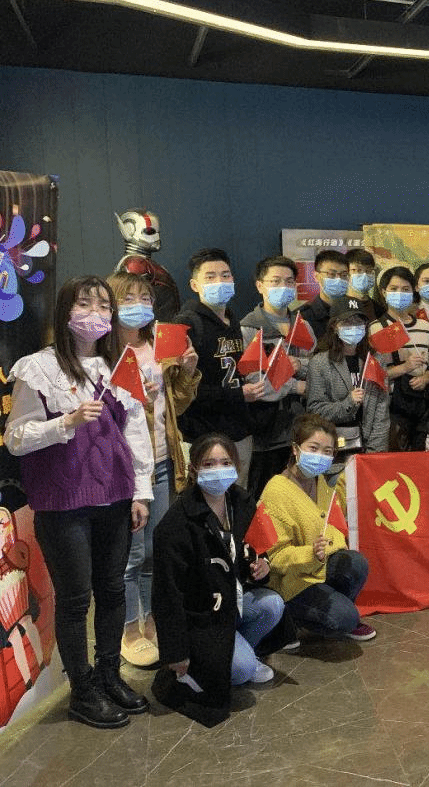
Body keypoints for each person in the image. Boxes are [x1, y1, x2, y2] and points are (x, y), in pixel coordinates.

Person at [5, 275, 154, 728]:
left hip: (114, 497)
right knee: (74, 600)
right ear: (65, 312)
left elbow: (136, 432)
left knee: (112, 590)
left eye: (104, 306)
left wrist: (141, 491)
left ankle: (109, 675)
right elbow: (16, 438)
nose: (96, 314)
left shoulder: (118, 366)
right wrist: (65, 423)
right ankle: (82, 691)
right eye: (85, 304)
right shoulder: (38, 368)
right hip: (63, 501)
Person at [152, 433, 284, 727]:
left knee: (273, 604)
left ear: (236, 465)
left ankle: (237, 651)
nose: (218, 470)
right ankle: (225, 661)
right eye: (209, 464)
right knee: (242, 670)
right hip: (202, 616)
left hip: (232, 602)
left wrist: (261, 566)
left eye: (225, 462)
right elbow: (166, 594)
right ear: (194, 469)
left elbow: (253, 548)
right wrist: (176, 652)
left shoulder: (242, 502)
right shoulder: (175, 525)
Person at [109, 272, 201, 668]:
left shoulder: (157, 346)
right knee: (129, 556)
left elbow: (174, 406)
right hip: (127, 470)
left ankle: (150, 621)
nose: (139, 305)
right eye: (128, 298)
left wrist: (188, 371)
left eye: (145, 298)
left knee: (153, 552)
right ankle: (128, 629)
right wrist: (133, 401)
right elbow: (101, 420)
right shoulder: (106, 355)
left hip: (164, 463)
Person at [263, 414, 376, 642]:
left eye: (327, 451)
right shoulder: (276, 491)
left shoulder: (320, 481)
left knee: (355, 563)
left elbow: (331, 523)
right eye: (313, 448)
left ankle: (336, 612)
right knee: (345, 618)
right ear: (295, 449)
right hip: (291, 580)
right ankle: (286, 620)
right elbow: (275, 558)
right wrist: (310, 554)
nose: (320, 456)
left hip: (318, 568)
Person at [175, 248, 264, 487]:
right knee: (205, 498)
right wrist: (238, 394)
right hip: (203, 435)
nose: (220, 282)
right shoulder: (187, 323)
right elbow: (185, 391)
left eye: (225, 275)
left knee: (237, 498)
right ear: (195, 285)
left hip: (239, 431)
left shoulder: (233, 320)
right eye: (210, 276)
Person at [240, 256, 311, 497]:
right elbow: (254, 380)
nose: (284, 287)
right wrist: (295, 386)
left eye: (289, 281)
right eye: (276, 281)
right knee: (264, 498)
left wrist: (299, 364)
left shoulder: (302, 325)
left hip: (300, 431)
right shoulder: (249, 328)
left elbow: (317, 366)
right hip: (264, 434)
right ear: (260, 286)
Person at [306, 297, 390, 458]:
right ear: (334, 326)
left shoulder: (375, 360)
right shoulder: (320, 363)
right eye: (347, 323)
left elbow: (382, 409)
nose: (354, 328)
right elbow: (315, 410)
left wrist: (374, 453)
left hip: (369, 447)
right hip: (333, 447)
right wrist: (348, 403)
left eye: (359, 322)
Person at [371, 266, 429, 451]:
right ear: (383, 292)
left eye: (405, 289)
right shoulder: (376, 328)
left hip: (423, 407)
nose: (400, 294)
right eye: (394, 289)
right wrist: (405, 367)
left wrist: (426, 378)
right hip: (391, 410)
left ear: (413, 291)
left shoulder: (425, 326)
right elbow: (373, 375)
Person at [299, 249, 350, 340]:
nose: (338, 279)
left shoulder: (356, 310)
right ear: (316, 276)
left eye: (344, 275)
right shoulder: (303, 317)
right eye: (331, 274)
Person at [345, 248, 384, 319]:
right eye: (358, 270)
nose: (364, 275)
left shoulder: (379, 309)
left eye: (369, 271)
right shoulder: (338, 306)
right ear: (346, 273)